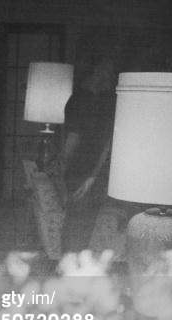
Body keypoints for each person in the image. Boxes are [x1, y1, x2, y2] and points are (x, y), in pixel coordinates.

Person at [60, 56, 117, 253]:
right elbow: (72, 141)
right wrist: (65, 171)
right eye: (108, 70)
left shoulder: (104, 101)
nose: (111, 76)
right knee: (77, 225)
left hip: (93, 174)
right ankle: (67, 270)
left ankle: (71, 269)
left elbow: (107, 143)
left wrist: (93, 176)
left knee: (82, 226)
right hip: (79, 173)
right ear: (97, 70)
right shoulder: (79, 100)